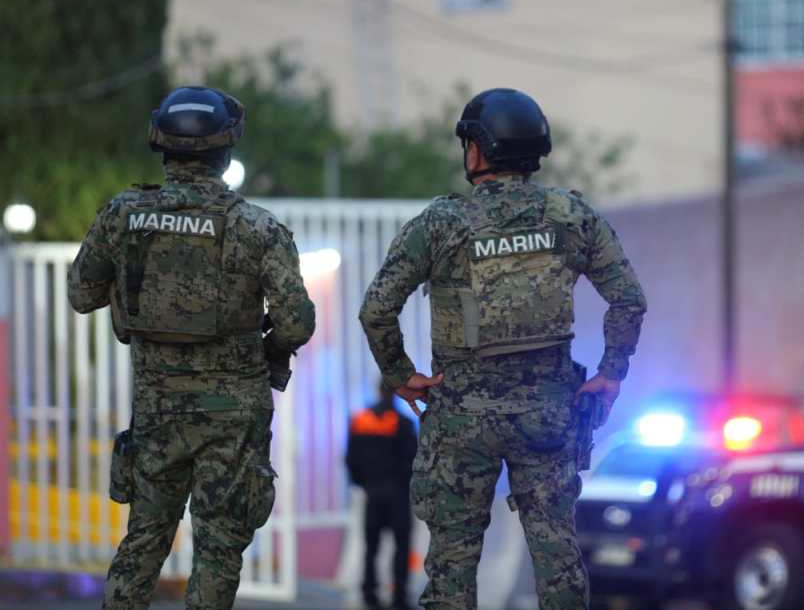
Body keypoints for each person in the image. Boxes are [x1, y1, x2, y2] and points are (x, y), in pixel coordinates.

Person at [359, 88, 646, 609]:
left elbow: (376, 309)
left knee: (452, 562)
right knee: (557, 553)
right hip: (547, 416)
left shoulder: (441, 224)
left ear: (478, 149)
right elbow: (627, 298)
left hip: (461, 419)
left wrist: (401, 374)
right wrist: (611, 373)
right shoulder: (571, 216)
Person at [68, 86, 316, 610]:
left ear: (160, 142)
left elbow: (81, 295)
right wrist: (266, 349)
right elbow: (297, 323)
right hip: (233, 413)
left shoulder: (122, 215)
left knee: (143, 541)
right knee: (219, 550)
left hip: (158, 408)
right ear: (227, 147)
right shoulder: (256, 226)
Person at [346, 379, 419, 610]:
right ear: (396, 393)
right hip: (398, 494)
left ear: (378, 390)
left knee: (371, 547)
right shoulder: (404, 423)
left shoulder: (360, 420)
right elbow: (413, 461)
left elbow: (351, 458)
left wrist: (364, 483)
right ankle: (399, 598)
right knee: (401, 547)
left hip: (373, 492)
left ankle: (370, 596)